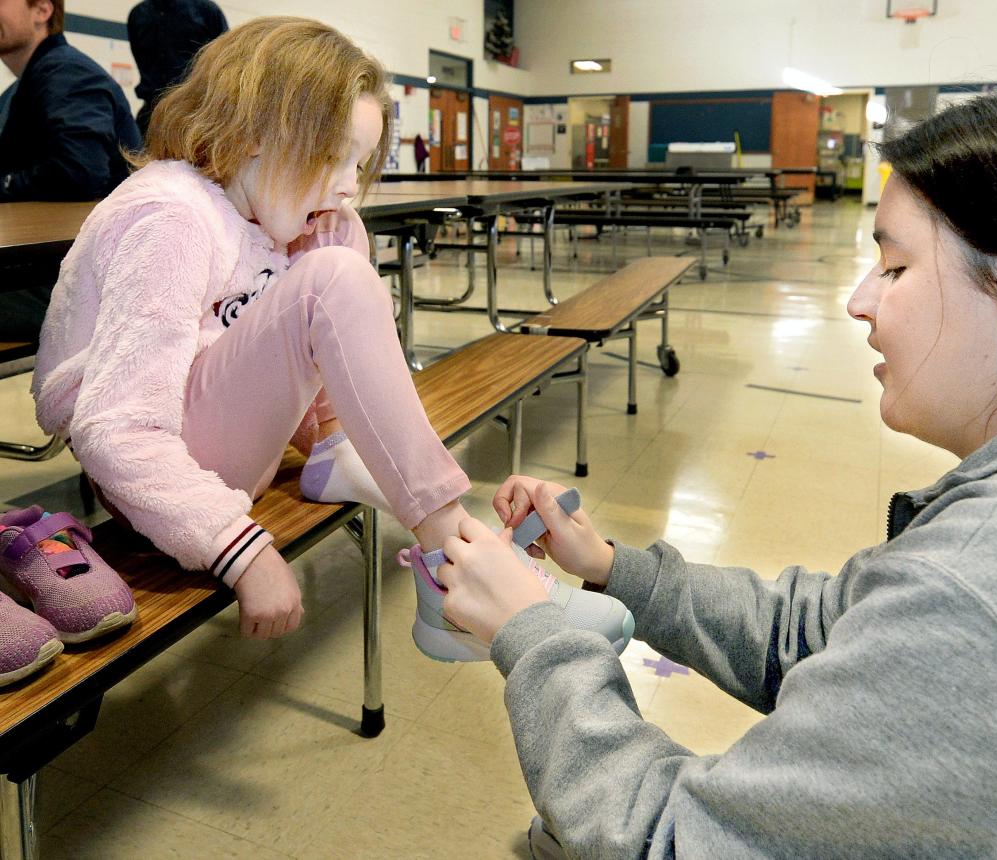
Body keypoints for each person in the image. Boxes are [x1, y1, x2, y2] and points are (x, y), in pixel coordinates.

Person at [435, 70, 997, 856]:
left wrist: (530, 633)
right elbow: (833, 628)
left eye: (895, 267)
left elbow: (671, 840)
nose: (859, 299)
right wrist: (613, 568)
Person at [31, 16, 632, 654]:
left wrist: (326, 434)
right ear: (253, 130)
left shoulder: (288, 215)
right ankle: (457, 562)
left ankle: (436, 525)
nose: (348, 183)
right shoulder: (170, 217)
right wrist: (242, 552)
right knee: (332, 274)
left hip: (227, 444)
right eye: (330, 155)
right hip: (153, 480)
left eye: (360, 162)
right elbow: (116, 429)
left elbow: (281, 345)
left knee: (338, 241)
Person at [0, 0, 142, 342]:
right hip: (57, 268)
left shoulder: (66, 73)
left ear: (42, 11)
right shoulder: (29, 84)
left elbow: (78, 173)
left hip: (85, 281)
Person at [126, 0, 228, 137]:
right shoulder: (138, 15)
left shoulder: (207, 11)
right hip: (152, 112)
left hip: (195, 113)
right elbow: (140, 58)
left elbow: (226, 61)